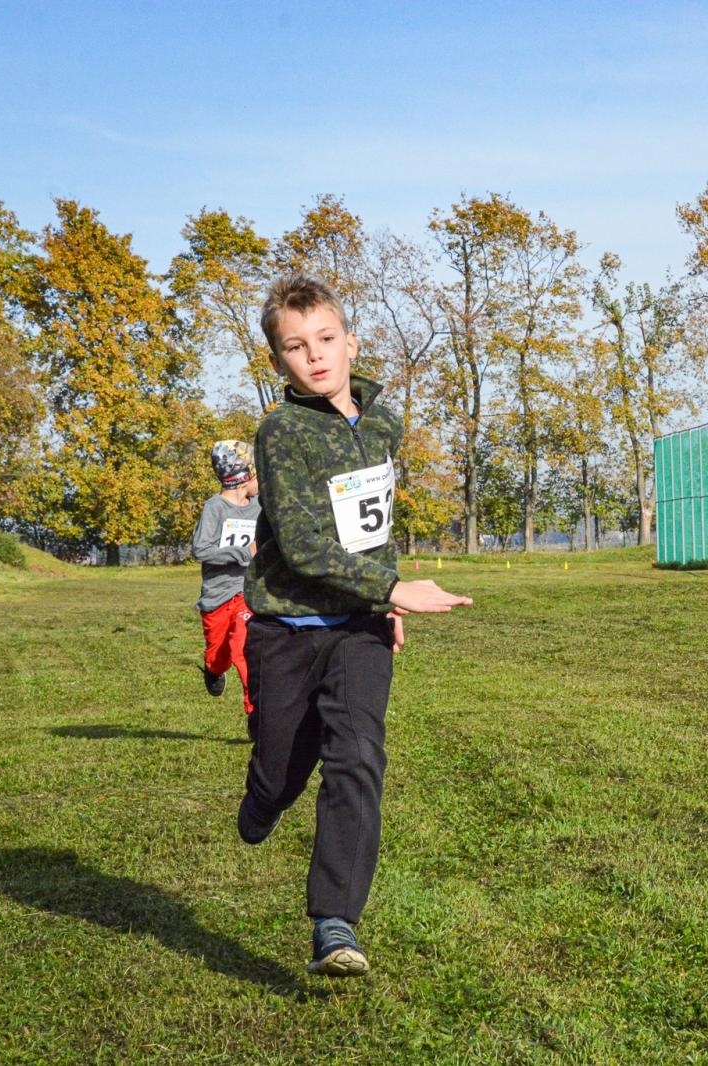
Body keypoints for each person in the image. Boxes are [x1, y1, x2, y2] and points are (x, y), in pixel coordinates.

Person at [239, 274, 472, 977]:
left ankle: (334, 923)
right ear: (279, 361)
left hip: (358, 629)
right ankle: (263, 798)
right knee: (283, 766)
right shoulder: (280, 433)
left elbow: (374, 526)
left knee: (359, 755)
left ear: (351, 342)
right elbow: (307, 547)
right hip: (285, 628)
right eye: (295, 347)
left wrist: (382, 603)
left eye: (326, 340)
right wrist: (395, 587)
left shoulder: (384, 423)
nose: (315, 356)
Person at [191, 440, 261, 722]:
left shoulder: (259, 506)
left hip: (247, 592)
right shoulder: (214, 508)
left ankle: (256, 714)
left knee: (244, 648)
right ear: (245, 477)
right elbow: (200, 550)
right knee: (219, 656)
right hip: (217, 596)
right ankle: (213, 669)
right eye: (258, 473)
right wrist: (244, 553)